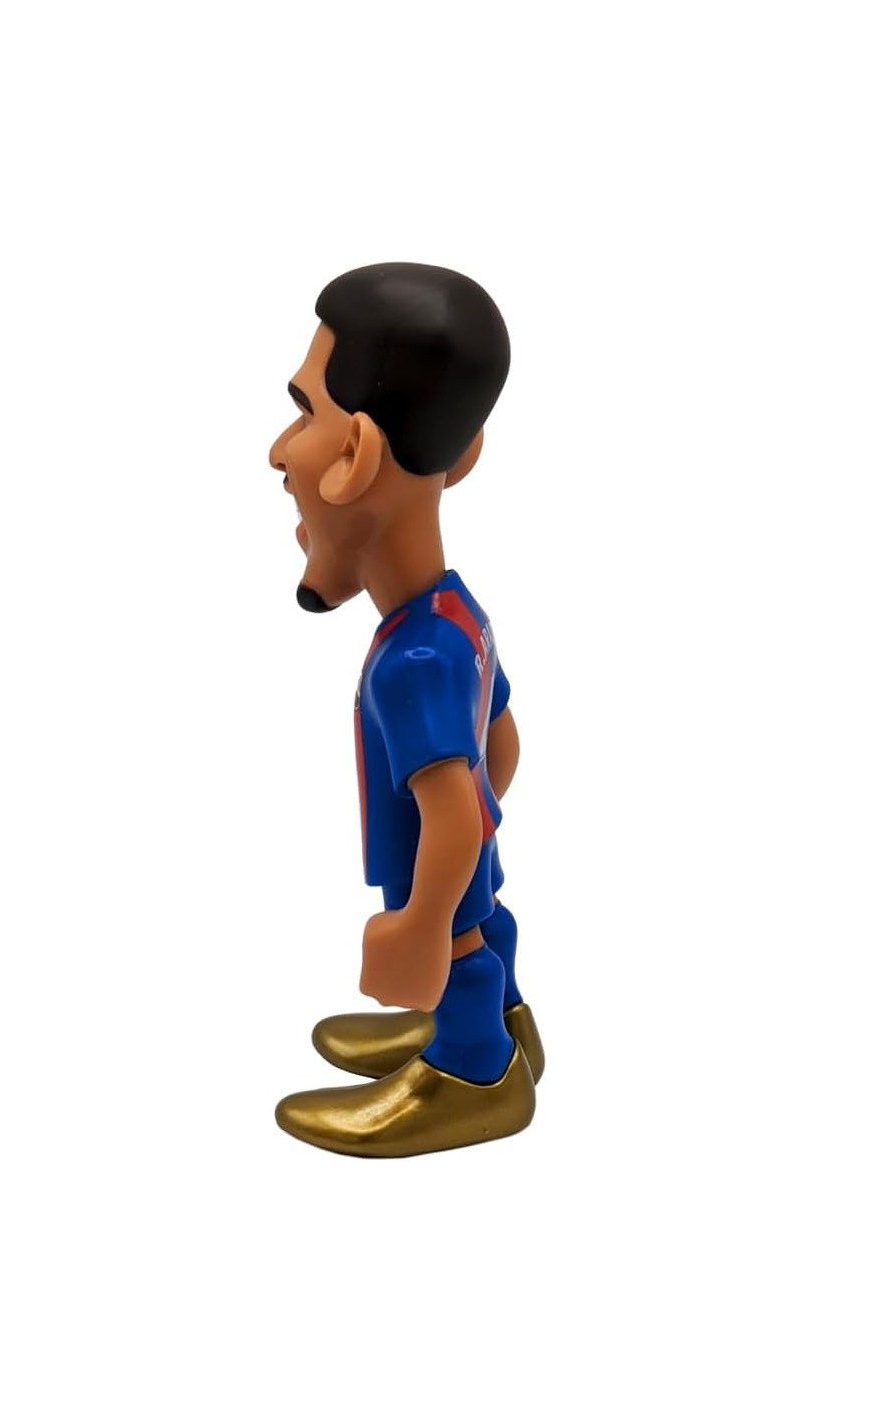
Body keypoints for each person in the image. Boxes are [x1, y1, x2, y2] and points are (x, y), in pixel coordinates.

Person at [268, 263, 544, 1156]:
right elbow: (502, 742)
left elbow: (454, 808)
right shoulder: (458, 613)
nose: (279, 453)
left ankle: (472, 1071)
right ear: (465, 453)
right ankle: (508, 1023)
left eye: (303, 415)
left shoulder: (412, 661)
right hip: (466, 862)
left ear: (355, 458)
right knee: (483, 924)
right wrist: (474, 842)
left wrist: (422, 925)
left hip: (441, 874)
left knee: (459, 946)